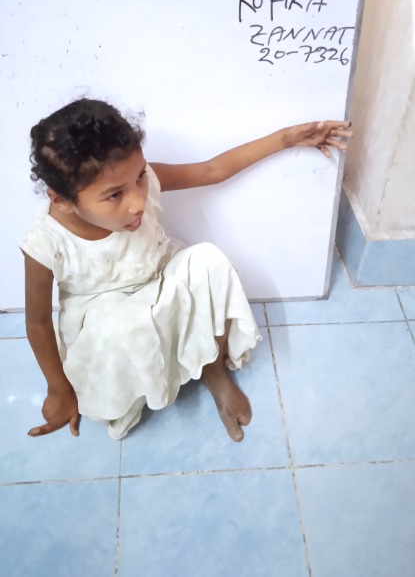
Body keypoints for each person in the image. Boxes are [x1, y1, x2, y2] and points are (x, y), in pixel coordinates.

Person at [21, 98, 352, 442]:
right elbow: (38, 323)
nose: (137, 201)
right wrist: (59, 390)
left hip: (159, 277)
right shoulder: (47, 243)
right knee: (121, 336)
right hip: (107, 316)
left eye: (139, 176)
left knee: (210, 261)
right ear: (63, 200)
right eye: (115, 195)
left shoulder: (140, 181)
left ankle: (213, 369)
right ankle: (138, 385)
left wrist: (287, 138)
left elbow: (212, 170)